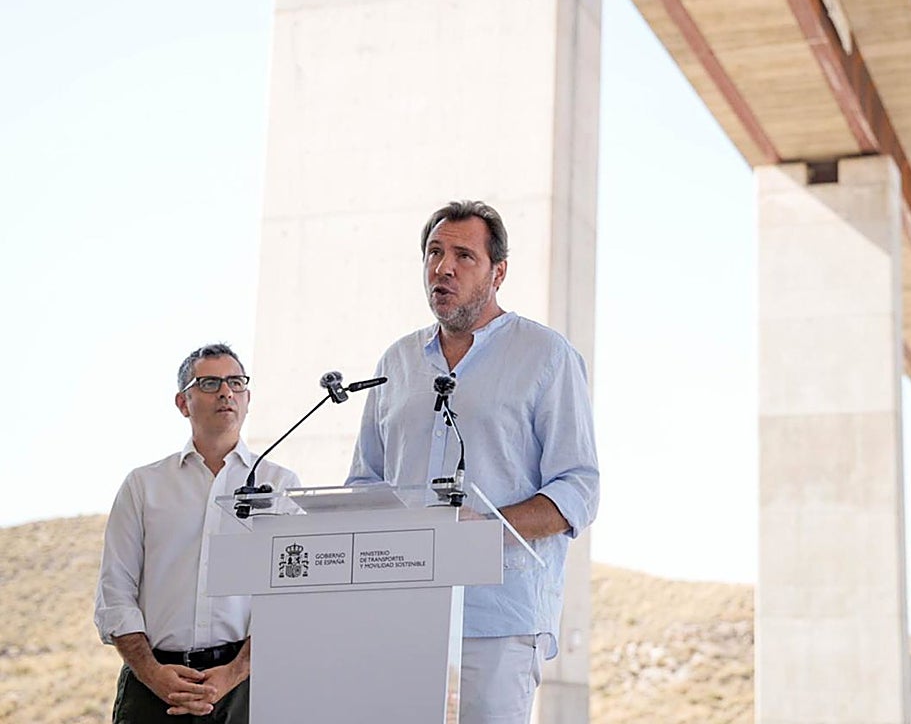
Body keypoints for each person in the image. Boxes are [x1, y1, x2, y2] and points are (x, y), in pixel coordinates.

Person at [347, 200, 600, 724]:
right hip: (402, 609)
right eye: (434, 253)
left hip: (500, 612)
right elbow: (364, 482)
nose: (444, 267)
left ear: (497, 272)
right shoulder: (395, 362)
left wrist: (487, 529)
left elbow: (578, 488)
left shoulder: (547, 357)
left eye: (464, 255)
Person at [95, 343, 300, 723]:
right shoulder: (143, 486)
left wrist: (234, 673)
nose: (226, 392)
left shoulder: (281, 486)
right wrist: (154, 675)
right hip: (152, 685)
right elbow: (115, 592)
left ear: (248, 397)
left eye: (235, 382)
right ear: (182, 402)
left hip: (243, 685)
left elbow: (287, 597)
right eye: (209, 383)